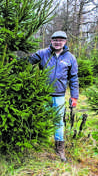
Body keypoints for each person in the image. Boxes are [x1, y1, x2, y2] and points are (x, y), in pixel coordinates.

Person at [29, 31, 79, 162]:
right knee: (42, 120)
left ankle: (59, 149)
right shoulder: (42, 53)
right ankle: (40, 145)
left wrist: (74, 97)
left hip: (59, 96)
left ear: (65, 42)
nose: (58, 42)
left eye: (60, 40)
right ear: (51, 41)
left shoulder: (70, 58)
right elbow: (28, 62)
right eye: (55, 40)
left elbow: (73, 78)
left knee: (58, 122)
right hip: (43, 95)